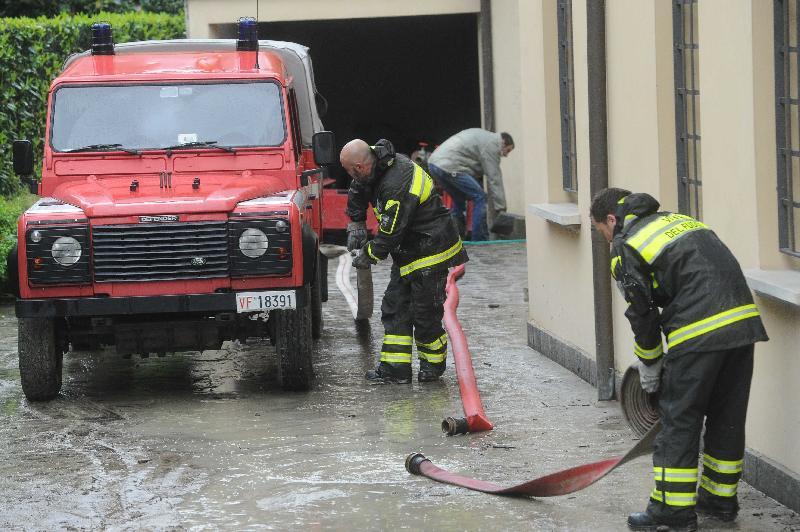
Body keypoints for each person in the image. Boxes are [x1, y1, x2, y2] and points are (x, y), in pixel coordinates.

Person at [590, 188, 768, 532]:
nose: (606, 241)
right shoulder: (678, 220)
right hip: (743, 325)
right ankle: (719, 501)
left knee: (679, 421)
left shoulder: (627, 244)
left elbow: (642, 314)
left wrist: (651, 365)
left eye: (602, 233)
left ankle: (671, 513)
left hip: (699, 331)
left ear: (612, 220)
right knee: (726, 417)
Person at [341, 138, 468, 384]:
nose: (350, 176)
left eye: (349, 170)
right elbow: (357, 188)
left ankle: (432, 368)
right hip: (408, 252)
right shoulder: (374, 167)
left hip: (431, 249)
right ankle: (395, 369)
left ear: (359, 166)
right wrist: (356, 222)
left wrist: (368, 254)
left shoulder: (397, 183)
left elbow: (391, 233)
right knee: (395, 306)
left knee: (425, 314)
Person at [427, 128, 514, 241]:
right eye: (507, 150)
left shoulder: (485, 138)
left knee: (458, 200)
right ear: (503, 142)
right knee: (480, 196)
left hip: (435, 164)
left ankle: (455, 238)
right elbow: (494, 178)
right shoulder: (492, 145)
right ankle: (479, 239)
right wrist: (501, 207)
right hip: (449, 165)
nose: (506, 155)